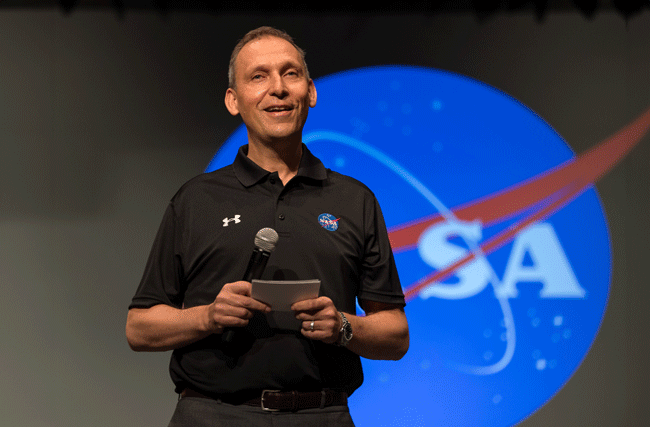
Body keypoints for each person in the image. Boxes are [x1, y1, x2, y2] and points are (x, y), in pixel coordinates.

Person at [125, 26, 409, 427]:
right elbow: (139, 329)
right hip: (212, 414)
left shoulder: (354, 200)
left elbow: (395, 333)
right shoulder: (195, 199)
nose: (278, 88)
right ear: (233, 100)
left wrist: (344, 326)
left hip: (322, 414)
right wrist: (207, 317)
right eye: (258, 76)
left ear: (309, 92)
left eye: (290, 73)